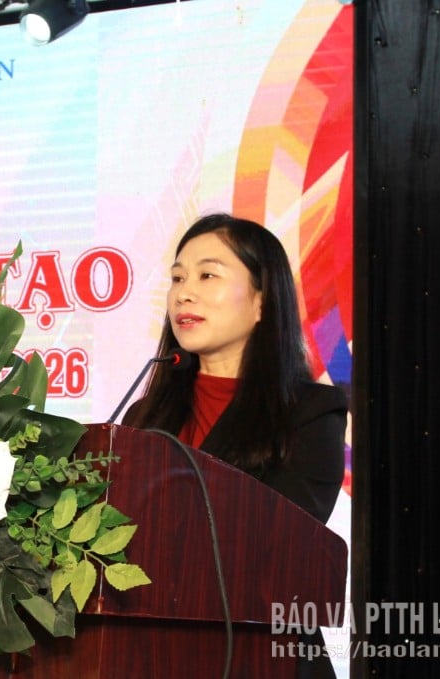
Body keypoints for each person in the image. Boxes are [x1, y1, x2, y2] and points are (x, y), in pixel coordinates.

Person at [121, 212, 347, 678]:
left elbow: (284, 545)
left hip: (263, 658)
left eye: (208, 275)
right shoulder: (143, 419)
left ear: (262, 302)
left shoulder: (311, 413)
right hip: (152, 657)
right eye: (178, 278)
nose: (184, 292)